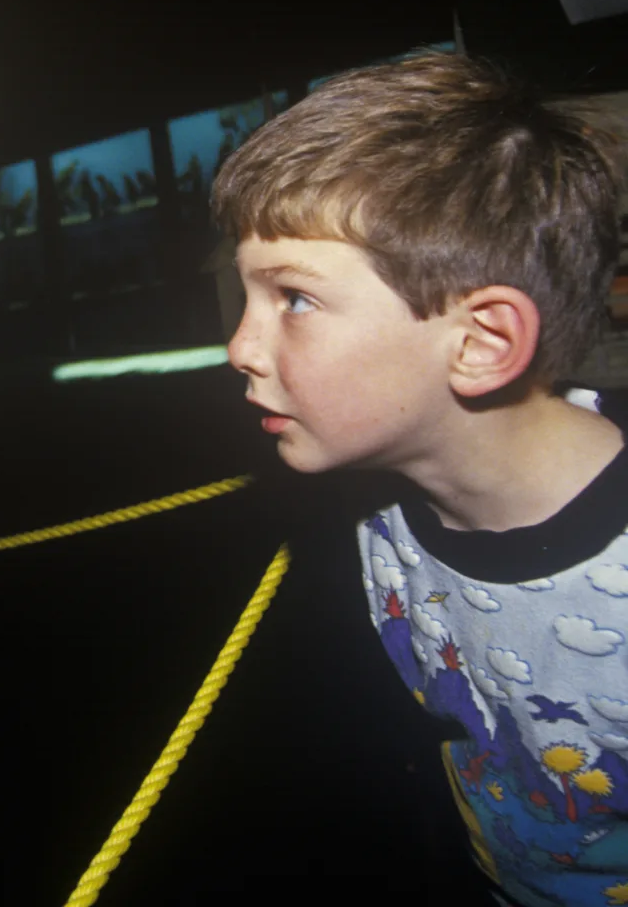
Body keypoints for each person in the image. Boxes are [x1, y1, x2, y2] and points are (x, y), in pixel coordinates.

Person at [212, 50, 628, 906]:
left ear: (480, 344)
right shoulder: (371, 513)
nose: (239, 349)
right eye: (244, 297)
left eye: (292, 298)